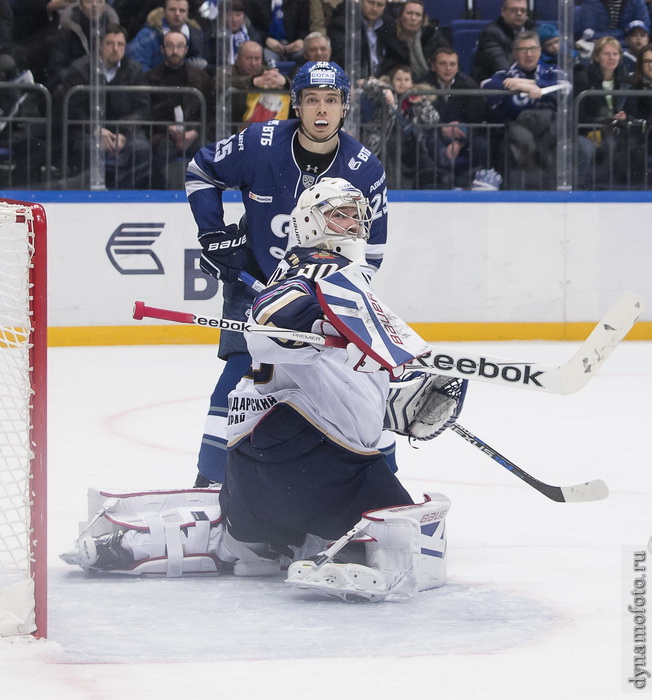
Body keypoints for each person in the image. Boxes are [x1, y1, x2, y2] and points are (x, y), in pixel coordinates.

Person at [62, 178, 458, 604]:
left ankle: (174, 543)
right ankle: (347, 549)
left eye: (356, 216)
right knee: (413, 539)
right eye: (339, 215)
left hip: (253, 477)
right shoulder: (322, 272)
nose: (353, 226)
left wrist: (396, 403)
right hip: (316, 469)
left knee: (248, 549)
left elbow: (333, 367)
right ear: (309, 222)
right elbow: (268, 319)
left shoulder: (322, 277)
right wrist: (313, 326)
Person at [185, 60, 388, 487]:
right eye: (311, 99)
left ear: (344, 107)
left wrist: (338, 303)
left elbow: (371, 252)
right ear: (295, 104)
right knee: (245, 372)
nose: (321, 110)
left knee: (357, 380)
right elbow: (201, 171)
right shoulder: (258, 144)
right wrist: (214, 234)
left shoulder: (365, 169)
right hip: (257, 284)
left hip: (326, 294)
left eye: (331, 100)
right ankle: (211, 481)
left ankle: (380, 481)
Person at [61, 23, 152, 189]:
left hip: (125, 133)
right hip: (89, 132)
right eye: (110, 44)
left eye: (120, 44)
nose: (115, 49)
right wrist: (96, 130)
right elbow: (74, 109)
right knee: (87, 148)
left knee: (141, 148)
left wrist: (122, 133)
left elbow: (142, 108)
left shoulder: (134, 70)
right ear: (99, 45)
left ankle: (129, 199)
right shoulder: (80, 69)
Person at [482, 30, 565, 189]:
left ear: (540, 51)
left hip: (548, 135)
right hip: (517, 136)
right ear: (515, 53)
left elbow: (564, 86)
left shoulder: (552, 71)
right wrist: (520, 85)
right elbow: (486, 86)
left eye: (533, 49)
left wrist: (529, 85)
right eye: (523, 50)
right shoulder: (506, 75)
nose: (529, 54)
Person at [145, 30, 212, 189]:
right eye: (170, 46)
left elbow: (209, 111)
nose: (175, 51)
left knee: (208, 150)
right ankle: (159, 193)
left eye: (179, 46)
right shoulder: (150, 77)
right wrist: (168, 129)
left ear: (186, 49)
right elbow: (148, 113)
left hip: (194, 134)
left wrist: (194, 131)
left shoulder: (201, 77)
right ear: (162, 49)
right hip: (163, 134)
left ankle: (206, 192)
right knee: (161, 151)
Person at [574, 35, 632, 187]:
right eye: (606, 54)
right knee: (600, 147)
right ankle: (589, 189)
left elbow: (633, 110)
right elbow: (579, 115)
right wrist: (600, 122)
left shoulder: (626, 82)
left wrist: (625, 116)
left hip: (619, 131)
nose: (611, 58)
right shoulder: (583, 79)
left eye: (615, 54)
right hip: (589, 132)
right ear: (597, 56)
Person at [46, 0, 120, 90]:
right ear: (80, 6)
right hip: (76, 88)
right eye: (89, 1)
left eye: (100, 1)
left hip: (106, 88)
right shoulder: (67, 31)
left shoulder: (115, 33)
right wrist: (83, 76)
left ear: (105, 6)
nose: (94, 5)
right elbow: (56, 70)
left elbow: (122, 66)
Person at [126, 0, 205, 73]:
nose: (177, 14)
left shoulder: (198, 35)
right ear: (164, 12)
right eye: (172, 9)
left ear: (187, 13)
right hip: (155, 85)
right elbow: (138, 66)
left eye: (182, 10)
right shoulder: (147, 35)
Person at [377, 0, 450, 79]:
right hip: (403, 84)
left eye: (418, 15)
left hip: (432, 82)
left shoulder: (432, 36)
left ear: (422, 19)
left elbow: (449, 60)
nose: (413, 18)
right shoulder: (391, 38)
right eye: (409, 13)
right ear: (401, 16)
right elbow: (387, 69)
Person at [229, 40, 291, 129]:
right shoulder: (227, 70)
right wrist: (253, 82)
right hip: (232, 124)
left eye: (257, 58)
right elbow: (219, 83)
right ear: (238, 58)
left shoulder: (267, 72)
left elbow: (294, 89)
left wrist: (285, 82)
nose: (253, 63)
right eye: (248, 58)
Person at [328, 0, 399, 79]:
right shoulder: (343, 24)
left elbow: (393, 58)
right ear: (360, 1)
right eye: (370, 3)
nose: (374, 8)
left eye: (380, 5)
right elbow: (343, 59)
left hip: (380, 81)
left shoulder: (387, 26)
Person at [472, 0, 536, 84]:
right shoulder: (491, 33)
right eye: (514, 10)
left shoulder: (532, 30)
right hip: (496, 85)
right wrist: (531, 83)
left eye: (523, 10)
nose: (519, 13)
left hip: (526, 83)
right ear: (503, 12)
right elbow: (502, 69)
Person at [243, 0, 312, 65]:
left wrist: (301, 39)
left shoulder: (301, 2)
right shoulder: (255, 2)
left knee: (305, 56)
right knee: (268, 60)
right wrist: (265, 39)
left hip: (294, 44)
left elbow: (306, 26)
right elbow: (252, 28)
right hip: (268, 46)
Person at [578, 0, 650, 43]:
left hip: (630, 48)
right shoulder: (591, 2)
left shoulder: (637, 2)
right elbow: (590, 36)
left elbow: (644, 33)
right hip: (597, 47)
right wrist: (624, 32)